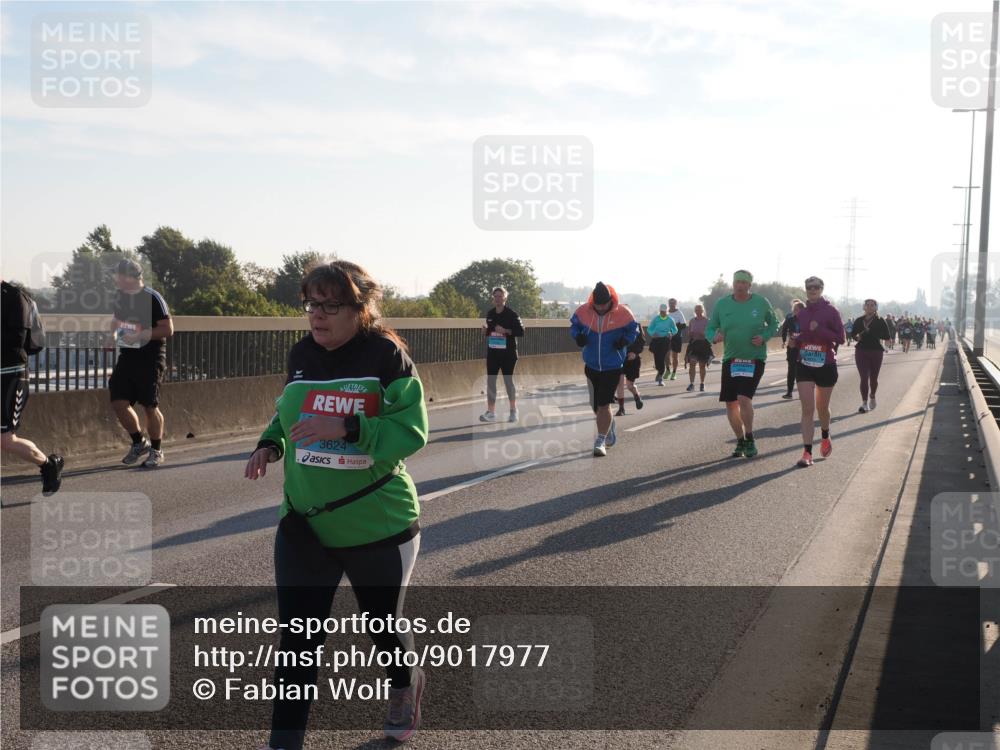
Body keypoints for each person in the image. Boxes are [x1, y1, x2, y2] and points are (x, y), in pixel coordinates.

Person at [245, 261, 429, 749]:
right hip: (305, 525)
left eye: (330, 305)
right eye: (312, 303)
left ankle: (405, 685)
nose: (317, 314)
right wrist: (270, 443)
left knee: (382, 627)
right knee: (297, 644)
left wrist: (347, 427)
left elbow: (411, 431)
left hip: (377, 522)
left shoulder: (385, 356)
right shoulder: (301, 353)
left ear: (359, 309)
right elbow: (287, 412)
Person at [705, 270, 779, 459]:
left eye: (744, 283)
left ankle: (750, 437)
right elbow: (710, 327)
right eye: (737, 282)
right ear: (733, 284)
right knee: (731, 403)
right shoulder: (722, 304)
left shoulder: (761, 302)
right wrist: (714, 336)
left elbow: (774, 324)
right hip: (731, 359)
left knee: (743, 398)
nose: (740, 285)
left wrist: (763, 337)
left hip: (754, 358)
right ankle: (740, 441)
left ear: (749, 285)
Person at [1, 279, 64, 495]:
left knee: (5, 439)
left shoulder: (14, 297)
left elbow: (16, 340)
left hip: (10, 375)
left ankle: (48, 465)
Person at [108, 259, 173, 468]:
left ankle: (156, 450)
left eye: (118, 275)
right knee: (118, 401)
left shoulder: (152, 297)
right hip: (128, 356)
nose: (115, 278)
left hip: (150, 357)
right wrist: (111, 336)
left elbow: (168, 329)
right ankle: (138, 442)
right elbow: (116, 320)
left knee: (149, 405)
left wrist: (140, 335)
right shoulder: (120, 296)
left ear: (130, 277)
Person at [570, 282, 639, 457]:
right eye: (597, 304)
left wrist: (624, 341)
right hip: (591, 365)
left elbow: (634, 330)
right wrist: (577, 336)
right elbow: (574, 326)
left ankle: (600, 440)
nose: (600, 307)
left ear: (610, 300)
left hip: (612, 366)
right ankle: (609, 425)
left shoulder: (624, 313)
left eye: (604, 304)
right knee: (594, 405)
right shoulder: (583, 311)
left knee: (603, 404)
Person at [795, 277, 846, 467]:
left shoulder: (831, 311)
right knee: (807, 409)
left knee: (822, 408)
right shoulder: (802, 313)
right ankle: (807, 453)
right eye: (809, 287)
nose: (812, 290)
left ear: (822, 289)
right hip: (805, 363)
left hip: (826, 364)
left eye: (816, 287)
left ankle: (825, 434)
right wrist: (795, 340)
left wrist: (821, 329)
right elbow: (800, 335)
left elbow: (841, 338)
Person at [479, 287, 525, 423]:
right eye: (495, 296)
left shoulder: (512, 314)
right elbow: (491, 331)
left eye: (500, 296)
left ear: (505, 298)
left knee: (508, 381)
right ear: (493, 298)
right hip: (493, 352)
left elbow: (521, 331)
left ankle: (513, 410)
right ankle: (491, 412)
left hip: (508, 353)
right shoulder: (490, 313)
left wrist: (506, 330)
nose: (498, 299)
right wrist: (485, 331)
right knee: (491, 381)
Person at [851, 299, 891, 413]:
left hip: (876, 351)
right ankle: (864, 403)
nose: (869, 307)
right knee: (864, 377)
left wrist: (886, 347)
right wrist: (856, 337)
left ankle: (872, 395)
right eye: (867, 305)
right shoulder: (859, 320)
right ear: (864, 307)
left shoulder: (880, 320)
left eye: (872, 305)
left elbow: (887, 336)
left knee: (873, 378)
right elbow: (853, 334)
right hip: (861, 351)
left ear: (876, 308)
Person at [616, 306, 645, 415]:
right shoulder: (616, 326)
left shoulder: (636, 325)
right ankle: (621, 408)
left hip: (633, 359)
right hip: (620, 358)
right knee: (619, 383)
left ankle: (636, 396)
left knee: (629, 385)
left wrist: (635, 353)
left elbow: (642, 341)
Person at [779, 299, 805, 399]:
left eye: (797, 310)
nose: (795, 311)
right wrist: (784, 341)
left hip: (803, 348)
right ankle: (789, 392)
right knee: (791, 370)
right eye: (794, 310)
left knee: (802, 370)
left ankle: (804, 392)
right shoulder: (790, 320)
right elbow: (784, 330)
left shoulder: (807, 320)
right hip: (792, 347)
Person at [646, 303, 678, 385]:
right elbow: (649, 329)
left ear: (667, 311)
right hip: (656, 340)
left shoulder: (670, 319)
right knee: (657, 359)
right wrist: (653, 334)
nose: (663, 313)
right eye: (661, 312)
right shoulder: (655, 319)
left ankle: (660, 377)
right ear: (659, 311)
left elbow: (675, 329)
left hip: (665, 341)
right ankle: (659, 371)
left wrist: (671, 333)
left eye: (664, 312)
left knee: (663, 358)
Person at [684, 304, 713, 392]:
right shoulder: (692, 321)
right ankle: (691, 384)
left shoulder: (707, 321)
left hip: (704, 345)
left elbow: (711, 334)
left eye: (699, 310)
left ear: (702, 311)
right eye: (696, 310)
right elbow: (689, 333)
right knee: (692, 363)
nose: (698, 312)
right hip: (694, 344)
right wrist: (690, 334)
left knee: (702, 365)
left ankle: (702, 383)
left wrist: (704, 334)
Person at [666, 298, 687, 380]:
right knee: (666, 355)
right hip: (666, 337)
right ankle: (668, 370)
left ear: (676, 304)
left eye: (673, 303)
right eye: (670, 303)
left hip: (676, 337)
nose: (671, 304)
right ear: (668, 304)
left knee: (675, 356)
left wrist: (674, 327)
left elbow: (684, 325)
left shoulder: (679, 313)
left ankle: (674, 373)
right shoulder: (666, 313)